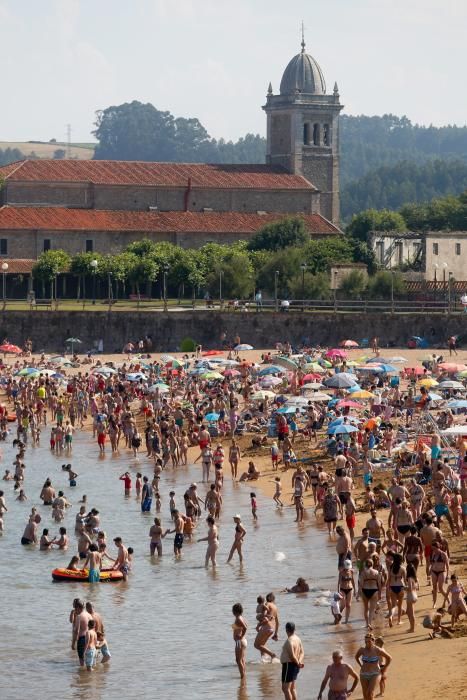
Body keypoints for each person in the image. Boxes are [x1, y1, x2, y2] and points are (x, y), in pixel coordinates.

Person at [355, 632, 391, 700]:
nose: (367, 643)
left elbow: (389, 658)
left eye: (369, 641)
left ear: (373, 640)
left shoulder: (377, 650)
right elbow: (356, 657)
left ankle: (381, 692)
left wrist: (385, 667)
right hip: (363, 674)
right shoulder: (362, 650)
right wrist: (361, 665)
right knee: (365, 695)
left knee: (370, 693)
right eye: (365, 642)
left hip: (375, 674)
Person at [280, 621, 304, 700]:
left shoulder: (289, 641)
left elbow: (292, 656)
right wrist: (299, 662)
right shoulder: (298, 638)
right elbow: (302, 652)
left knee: (285, 689)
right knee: (292, 688)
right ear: (294, 629)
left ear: (286, 630)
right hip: (294, 665)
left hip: (288, 665)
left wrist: (298, 663)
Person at [71, 600, 92, 667]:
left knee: (81, 658)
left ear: (78, 607)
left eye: (75, 608)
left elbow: (76, 631)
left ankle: (82, 673)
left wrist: (73, 644)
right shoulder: (89, 615)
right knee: (89, 655)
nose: (75, 610)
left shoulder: (79, 616)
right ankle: (89, 671)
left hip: (82, 639)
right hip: (90, 637)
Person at [231, 603, 247, 679]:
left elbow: (245, 627)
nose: (232, 612)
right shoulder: (240, 617)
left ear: (235, 611)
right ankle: (243, 676)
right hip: (242, 641)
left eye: (232, 610)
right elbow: (245, 626)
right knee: (242, 659)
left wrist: (241, 636)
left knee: (238, 660)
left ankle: (242, 677)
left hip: (239, 642)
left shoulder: (238, 618)